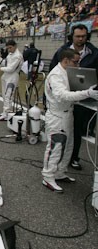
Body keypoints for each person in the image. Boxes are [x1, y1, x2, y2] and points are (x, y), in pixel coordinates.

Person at [42, 48, 98, 192]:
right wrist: (87, 93)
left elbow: (72, 93)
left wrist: (86, 93)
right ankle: (48, 176)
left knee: (68, 146)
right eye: (75, 62)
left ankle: (60, 172)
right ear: (66, 60)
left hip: (68, 113)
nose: (78, 65)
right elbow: (62, 95)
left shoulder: (68, 73)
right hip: (56, 116)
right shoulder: (56, 75)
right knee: (56, 146)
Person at [49, 23, 98, 171]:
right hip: (64, 97)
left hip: (84, 98)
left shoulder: (94, 53)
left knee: (76, 130)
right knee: (61, 132)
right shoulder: (62, 51)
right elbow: (53, 71)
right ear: (72, 36)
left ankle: (73, 158)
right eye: (77, 36)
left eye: (83, 36)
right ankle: (54, 164)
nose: (80, 39)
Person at [0, 39, 24, 120]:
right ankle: (5, 112)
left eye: (10, 48)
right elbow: (5, 63)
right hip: (5, 76)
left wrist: (0, 69)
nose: (9, 50)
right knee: (4, 95)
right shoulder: (10, 54)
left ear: (15, 46)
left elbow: (11, 68)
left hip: (12, 77)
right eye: (8, 48)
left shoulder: (18, 56)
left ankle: (6, 113)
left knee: (8, 95)